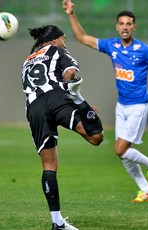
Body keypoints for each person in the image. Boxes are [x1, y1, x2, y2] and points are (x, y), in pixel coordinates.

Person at [63, 0, 148, 202]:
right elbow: (81, 38)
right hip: (121, 106)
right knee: (122, 154)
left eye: (128, 24)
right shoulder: (111, 45)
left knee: (120, 149)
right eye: (121, 23)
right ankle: (146, 191)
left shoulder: (143, 50)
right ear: (117, 26)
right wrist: (71, 14)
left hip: (138, 106)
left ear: (134, 27)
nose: (125, 27)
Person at [21, 25, 104, 230]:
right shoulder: (58, 51)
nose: (65, 42)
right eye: (63, 39)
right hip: (56, 98)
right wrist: (70, 85)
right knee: (96, 137)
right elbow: (70, 72)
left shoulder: (27, 59)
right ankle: (79, 99)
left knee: (49, 166)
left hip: (34, 108)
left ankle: (57, 222)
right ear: (54, 39)